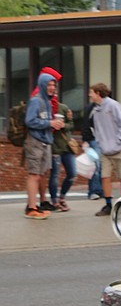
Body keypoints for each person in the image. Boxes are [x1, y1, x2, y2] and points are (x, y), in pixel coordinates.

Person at [23, 72, 65, 219]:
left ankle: (37, 206)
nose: (52, 87)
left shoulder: (47, 101)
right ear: (42, 84)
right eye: (49, 84)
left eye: (54, 84)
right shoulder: (36, 101)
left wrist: (54, 124)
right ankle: (31, 207)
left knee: (41, 174)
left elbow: (45, 121)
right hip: (35, 141)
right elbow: (29, 121)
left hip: (45, 141)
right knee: (34, 175)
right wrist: (49, 123)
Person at [89, 82, 121, 217]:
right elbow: (96, 129)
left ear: (98, 93)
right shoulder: (96, 110)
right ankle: (108, 205)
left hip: (120, 149)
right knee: (105, 177)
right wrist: (100, 143)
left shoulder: (113, 105)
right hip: (105, 150)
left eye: (91, 92)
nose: (89, 95)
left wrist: (118, 141)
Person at [48, 98, 77, 212]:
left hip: (66, 146)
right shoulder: (44, 108)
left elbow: (71, 124)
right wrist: (51, 125)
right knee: (55, 175)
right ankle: (54, 201)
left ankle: (62, 197)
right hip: (54, 147)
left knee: (72, 174)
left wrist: (63, 125)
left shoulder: (63, 108)